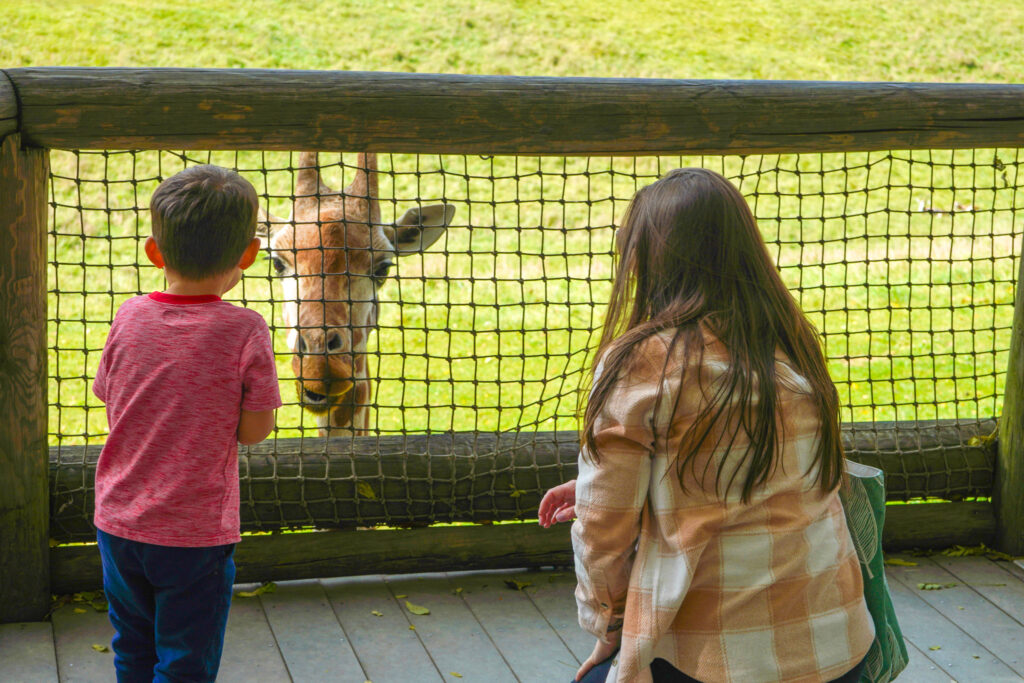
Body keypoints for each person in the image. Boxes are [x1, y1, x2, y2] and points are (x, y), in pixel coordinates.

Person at [538, 168, 874, 683]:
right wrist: (604, 489)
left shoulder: (641, 360)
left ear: (648, 259)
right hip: (840, 650)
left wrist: (608, 626)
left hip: (714, 662)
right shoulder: (791, 344)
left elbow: (603, 536)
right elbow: (758, 484)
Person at [92, 165, 282, 682]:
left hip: (117, 522)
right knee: (185, 660)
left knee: (132, 644)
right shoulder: (245, 329)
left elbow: (110, 398)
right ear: (249, 254)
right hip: (194, 536)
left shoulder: (127, 316)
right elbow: (253, 430)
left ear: (154, 251)